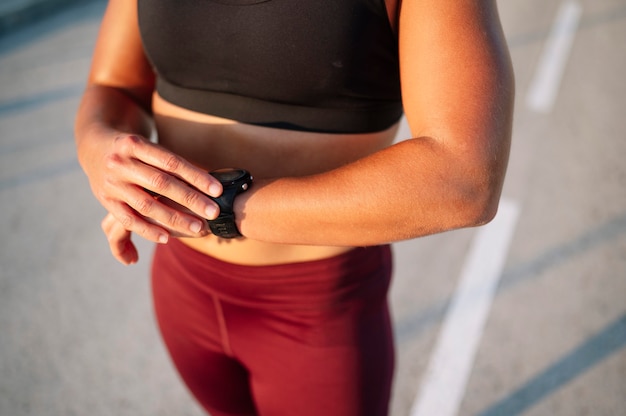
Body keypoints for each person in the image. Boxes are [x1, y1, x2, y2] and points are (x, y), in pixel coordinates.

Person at [74, 0, 514, 414]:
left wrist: (217, 209)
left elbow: (463, 176)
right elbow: (113, 85)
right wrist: (100, 152)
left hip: (315, 310)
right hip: (181, 286)